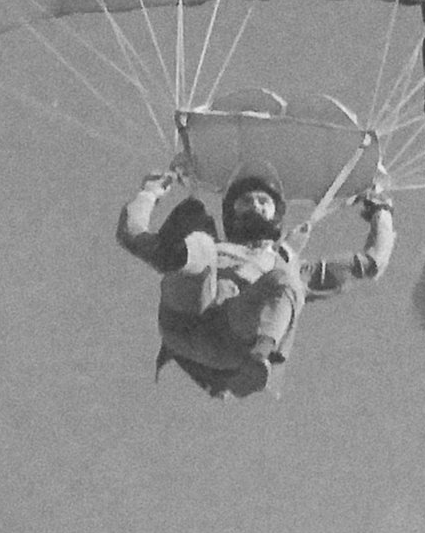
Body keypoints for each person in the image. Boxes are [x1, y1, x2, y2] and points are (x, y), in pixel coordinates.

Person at [116, 162, 396, 398]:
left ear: (276, 215)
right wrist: (149, 192)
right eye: (245, 201)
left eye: (263, 202)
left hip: (233, 339)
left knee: (286, 278)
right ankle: (174, 258)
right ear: (232, 213)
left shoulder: (289, 266)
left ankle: (259, 357)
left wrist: (380, 211)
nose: (255, 206)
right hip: (185, 316)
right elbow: (132, 234)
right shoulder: (213, 249)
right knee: (200, 242)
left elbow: (372, 262)